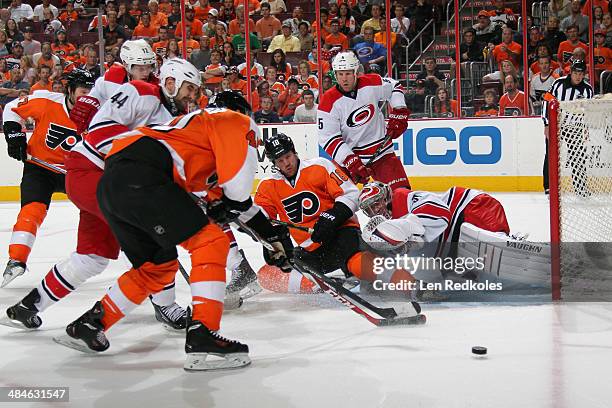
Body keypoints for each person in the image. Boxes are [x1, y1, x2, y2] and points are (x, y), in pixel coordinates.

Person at [57, 101, 292, 373]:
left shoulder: (191, 143)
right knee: (212, 242)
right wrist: (251, 220)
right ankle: (203, 333)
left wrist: (272, 235)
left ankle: (91, 324)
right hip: (142, 175)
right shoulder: (232, 120)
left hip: (113, 184)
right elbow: (237, 192)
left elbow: (233, 203)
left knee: (156, 267)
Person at [2, 59, 203, 331]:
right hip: (91, 172)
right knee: (156, 240)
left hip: (103, 179)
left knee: (92, 257)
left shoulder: (172, 119)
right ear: (171, 83)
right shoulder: (141, 92)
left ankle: (29, 306)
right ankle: (165, 305)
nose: (194, 96)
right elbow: (100, 132)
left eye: (196, 90)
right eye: (189, 88)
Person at [254, 134, 423, 313]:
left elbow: (351, 194)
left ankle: (414, 286)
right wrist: (271, 240)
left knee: (357, 263)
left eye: (288, 157)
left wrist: (333, 216)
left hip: (342, 233)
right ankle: (324, 282)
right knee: (266, 275)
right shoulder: (268, 186)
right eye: (280, 161)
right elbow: (261, 217)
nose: (286, 163)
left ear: (294, 153)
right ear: (274, 163)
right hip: (311, 249)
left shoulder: (319, 166)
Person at [1, 69, 95, 288]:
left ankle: (134, 258)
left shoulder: (98, 113)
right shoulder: (46, 100)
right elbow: (11, 109)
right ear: (70, 90)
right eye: (83, 91)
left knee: (101, 213)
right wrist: (15, 136)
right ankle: (17, 259)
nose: (88, 96)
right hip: (39, 169)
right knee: (31, 212)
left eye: (91, 91)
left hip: (75, 173)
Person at [318, 51, 411, 191]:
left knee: (401, 195)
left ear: (356, 72)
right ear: (335, 74)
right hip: (350, 158)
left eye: (348, 73)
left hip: (382, 153)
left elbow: (394, 86)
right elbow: (328, 138)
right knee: (331, 199)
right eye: (340, 74)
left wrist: (399, 110)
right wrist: (349, 159)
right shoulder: (328, 101)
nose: (344, 79)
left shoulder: (370, 83)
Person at [358, 181, 510, 260]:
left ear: (386, 197)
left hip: (470, 206)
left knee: (498, 244)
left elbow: (440, 213)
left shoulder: (404, 198)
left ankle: (509, 241)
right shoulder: (390, 228)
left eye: (377, 203)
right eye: (369, 209)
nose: (375, 210)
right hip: (456, 233)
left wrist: (410, 229)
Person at [542, 60, 593, 195]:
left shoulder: (588, 89)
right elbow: (546, 102)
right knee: (551, 155)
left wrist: (585, 128)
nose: (578, 76)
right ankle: (549, 186)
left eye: (581, 73)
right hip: (556, 125)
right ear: (571, 72)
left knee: (578, 156)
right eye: (576, 73)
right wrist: (546, 124)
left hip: (575, 128)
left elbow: (588, 111)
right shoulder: (558, 84)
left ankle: (580, 187)